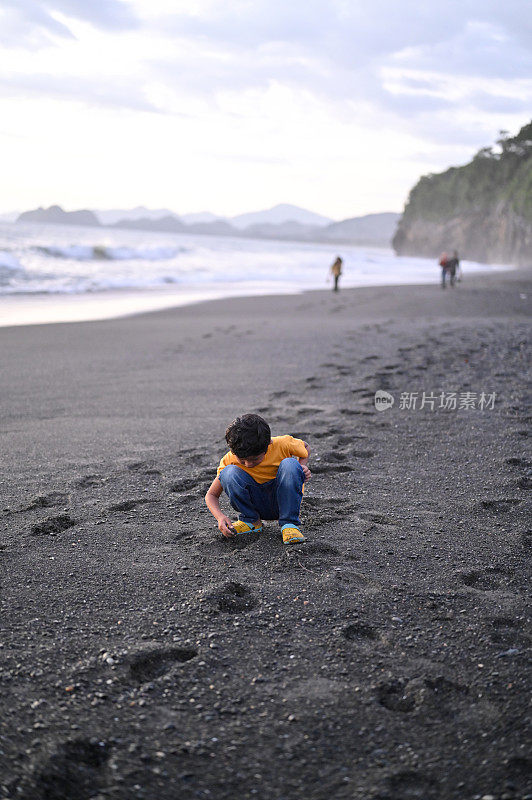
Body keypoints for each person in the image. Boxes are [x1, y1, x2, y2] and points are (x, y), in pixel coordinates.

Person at [205, 413, 311, 545]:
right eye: (242, 460)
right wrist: (220, 517)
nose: (248, 464)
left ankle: (289, 524)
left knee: (290, 464)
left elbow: (305, 446)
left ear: (268, 445)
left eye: (254, 459)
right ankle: (251, 521)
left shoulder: (282, 444)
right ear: (233, 451)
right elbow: (211, 495)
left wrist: (302, 467)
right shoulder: (230, 459)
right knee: (228, 473)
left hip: (284, 501)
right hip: (255, 504)